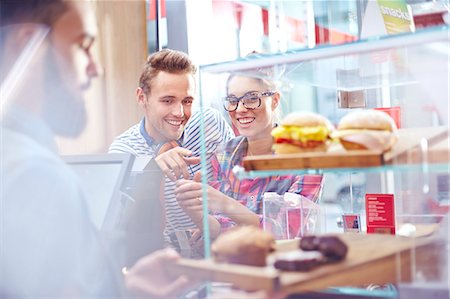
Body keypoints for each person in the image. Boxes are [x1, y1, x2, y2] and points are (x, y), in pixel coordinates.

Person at [0, 1, 190, 297]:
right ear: (29, 46)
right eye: (82, 46)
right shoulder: (36, 174)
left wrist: (121, 288)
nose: (95, 68)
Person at [174, 71, 323, 233]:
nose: (240, 109)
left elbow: (287, 230)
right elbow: (223, 226)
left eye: (252, 98)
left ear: (274, 100)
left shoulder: (308, 157)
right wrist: (199, 215)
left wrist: (226, 205)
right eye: (233, 101)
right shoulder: (224, 155)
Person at [109, 49, 234, 241]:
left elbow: (238, 191)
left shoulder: (210, 124)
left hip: (220, 252)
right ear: (142, 97)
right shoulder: (124, 151)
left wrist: (214, 225)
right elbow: (125, 228)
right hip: (165, 263)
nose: (179, 112)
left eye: (187, 101)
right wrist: (154, 170)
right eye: (168, 101)